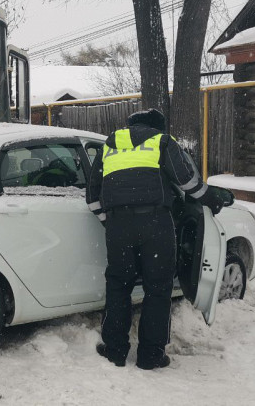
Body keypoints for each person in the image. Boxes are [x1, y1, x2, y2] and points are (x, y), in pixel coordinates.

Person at [86, 108, 224, 370]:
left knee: (118, 285)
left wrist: (109, 221)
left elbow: (92, 196)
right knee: (158, 288)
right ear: (158, 126)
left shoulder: (109, 145)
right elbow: (187, 182)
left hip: (118, 225)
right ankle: (151, 355)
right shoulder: (162, 141)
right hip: (155, 223)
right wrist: (211, 198)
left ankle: (114, 350)